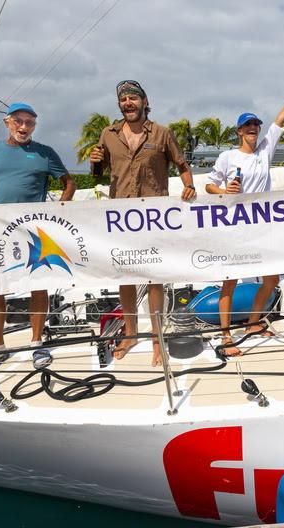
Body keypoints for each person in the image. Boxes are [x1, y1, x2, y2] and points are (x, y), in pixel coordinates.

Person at [90, 80, 196, 366]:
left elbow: (182, 166)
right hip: (121, 217)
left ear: (144, 101)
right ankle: (131, 334)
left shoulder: (162, 133)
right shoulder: (107, 134)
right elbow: (98, 175)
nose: (128, 103)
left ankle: (157, 339)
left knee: (153, 277)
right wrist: (95, 162)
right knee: (125, 275)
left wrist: (190, 186)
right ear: (119, 104)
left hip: (154, 216)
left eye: (133, 98)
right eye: (123, 99)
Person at [205, 76, 284, 355]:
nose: (253, 128)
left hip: (262, 227)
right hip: (234, 227)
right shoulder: (228, 156)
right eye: (248, 125)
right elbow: (209, 185)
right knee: (229, 283)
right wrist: (225, 191)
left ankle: (253, 323)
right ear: (239, 131)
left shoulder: (265, 150)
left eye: (256, 125)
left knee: (272, 280)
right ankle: (226, 337)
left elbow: (281, 118)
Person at [0, 102, 76, 375]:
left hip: (34, 229)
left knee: (38, 284)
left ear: (34, 126)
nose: (24, 127)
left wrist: (59, 207)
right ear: (8, 122)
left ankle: (37, 343)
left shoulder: (45, 153)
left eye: (30, 122)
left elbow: (69, 183)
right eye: (19, 121)